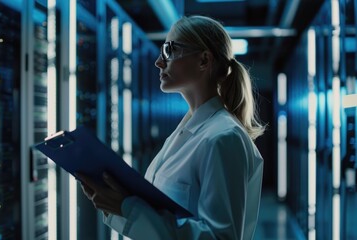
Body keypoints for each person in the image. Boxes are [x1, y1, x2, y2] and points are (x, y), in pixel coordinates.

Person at [76, 15, 265, 240]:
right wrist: (116, 204)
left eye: (169, 50)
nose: (159, 62)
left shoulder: (224, 138)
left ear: (204, 60)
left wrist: (129, 209)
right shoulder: (185, 133)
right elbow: (162, 218)